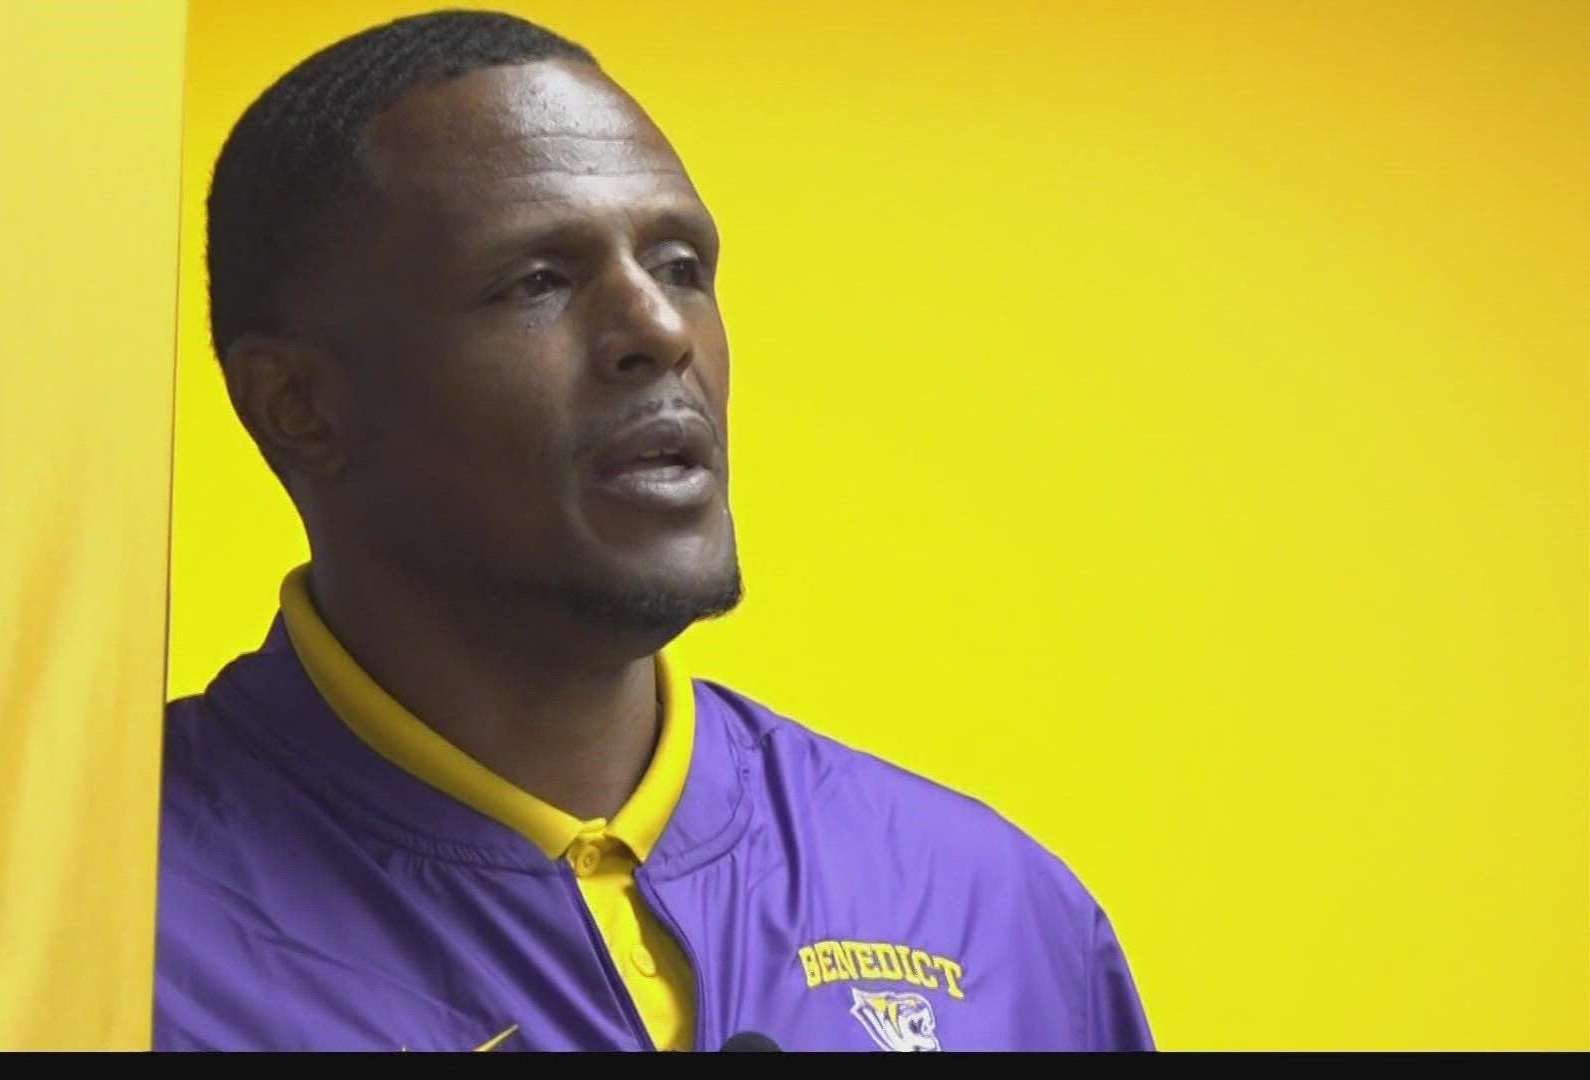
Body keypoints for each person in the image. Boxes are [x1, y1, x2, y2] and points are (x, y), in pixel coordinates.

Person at [155, 9, 1153, 1053]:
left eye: (680, 264)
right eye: (537, 281)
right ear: (302, 405)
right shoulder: (105, 930)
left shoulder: (987, 910)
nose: (662, 332)